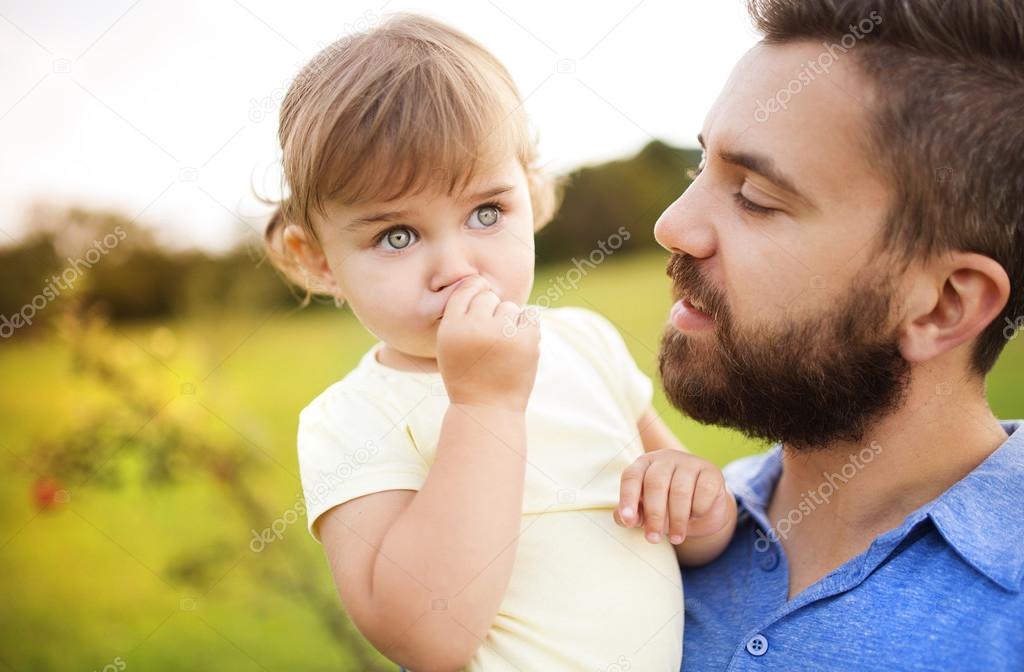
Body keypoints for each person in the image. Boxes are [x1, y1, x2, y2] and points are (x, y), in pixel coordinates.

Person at [263, 14, 737, 671]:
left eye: (486, 213)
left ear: (532, 196)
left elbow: (698, 537)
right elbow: (427, 638)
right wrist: (484, 406)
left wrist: (695, 495)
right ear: (315, 258)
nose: (456, 266)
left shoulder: (585, 344)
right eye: (396, 235)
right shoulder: (350, 423)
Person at [623, 0, 1024, 669]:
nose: (672, 225)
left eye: (755, 198)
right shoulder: (657, 530)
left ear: (942, 307)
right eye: (701, 170)